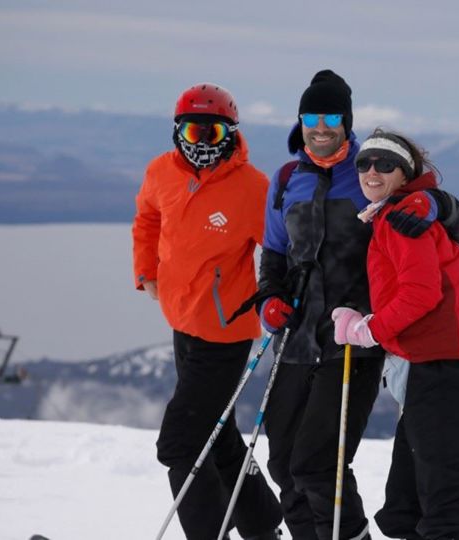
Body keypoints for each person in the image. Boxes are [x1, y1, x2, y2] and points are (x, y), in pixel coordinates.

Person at [255, 70, 459, 540]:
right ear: (300, 121)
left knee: (319, 464)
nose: (320, 126)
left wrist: (436, 204)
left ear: (346, 121)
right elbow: (273, 253)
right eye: (311, 117)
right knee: (283, 464)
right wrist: (269, 299)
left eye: (331, 117)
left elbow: (458, 224)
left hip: (354, 343)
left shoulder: (371, 173)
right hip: (296, 339)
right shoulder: (287, 179)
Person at [132, 83, 283, 540]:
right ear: (177, 131)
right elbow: (148, 217)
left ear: (231, 133)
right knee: (218, 435)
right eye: (192, 132)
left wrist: (280, 296)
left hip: (225, 333)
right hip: (181, 321)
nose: (202, 142)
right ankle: (262, 525)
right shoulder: (162, 171)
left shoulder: (252, 187)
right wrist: (147, 271)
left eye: (212, 132)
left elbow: (280, 250)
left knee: (181, 442)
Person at [331, 129, 459, 540]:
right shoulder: (412, 216)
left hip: (443, 373)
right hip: (440, 371)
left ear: (405, 174)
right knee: (407, 510)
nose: (372, 171)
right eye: (364, 163)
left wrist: (369, 329)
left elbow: (421, 293)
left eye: (386, 165)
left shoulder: (401, 220)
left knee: (443, 514)